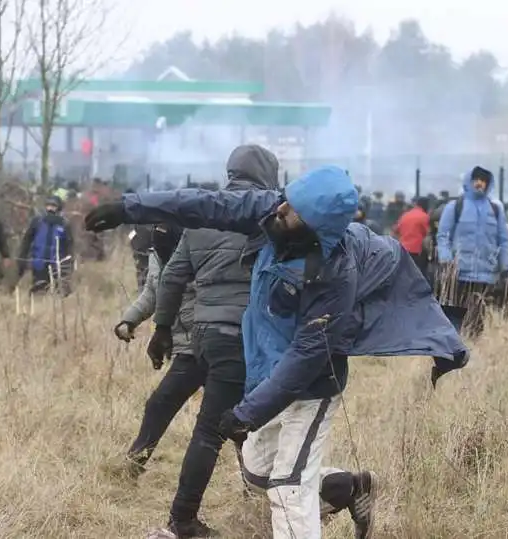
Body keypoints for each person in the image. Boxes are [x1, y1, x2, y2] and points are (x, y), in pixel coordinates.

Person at [85, 165, 468, 539]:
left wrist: (249, 413)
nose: (280, 208)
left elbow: (307, 355)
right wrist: (129, 207)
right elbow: (204, 204)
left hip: (311, 387)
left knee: (288, 484)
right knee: (256, 472)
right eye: (285, 199)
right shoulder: (271, 210)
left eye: (292, 208)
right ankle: (345, 488)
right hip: (266, 374)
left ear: (314, 224)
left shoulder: (335, 275)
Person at [136, 144, 280, 537]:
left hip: (202, 334)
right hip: (242, 336)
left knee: (212, 413)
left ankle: (254, 493)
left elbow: (172, 276)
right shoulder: (268, 217)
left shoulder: (202, 219)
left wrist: (162, 329)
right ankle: (182, 520)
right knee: (213, 430)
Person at [114, 223, 202, 480]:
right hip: (181, 343)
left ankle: (132, 467)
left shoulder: (199, 251)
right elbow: (153, 292)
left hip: (203, 343)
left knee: (161, 404)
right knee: (162, 406)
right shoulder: (157, 252)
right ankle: (133, 466)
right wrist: (129, 320)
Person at [436, 166, 508, 338]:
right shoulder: (455, 206)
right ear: (469, 181)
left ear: (487, 183)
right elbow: (443, 236)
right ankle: (455, 346)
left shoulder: (496, 209)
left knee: (478, 312)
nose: (479, 183)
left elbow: (504, 240)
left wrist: (505, 265)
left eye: (483, 180)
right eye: (476, 179)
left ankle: (473, 346)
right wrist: (446, 259)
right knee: (457, 311)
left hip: (486, 273)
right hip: (459, 272)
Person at [16, 196, 74, 296]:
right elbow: (27, 240)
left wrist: (68, 262)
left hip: (57, 263)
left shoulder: (64, 224)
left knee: (60, 292)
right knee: (38, 290)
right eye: (48, 205)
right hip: (39, 261)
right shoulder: (37, 221)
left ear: (59, 208)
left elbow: (69, 245)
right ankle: (38, 309)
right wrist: (22, 258)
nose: (50, 208)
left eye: (53, 206)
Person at [394, 197, 430, 278]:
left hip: (402, 251)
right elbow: (428, 234)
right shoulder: (424, 217)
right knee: (418, 277)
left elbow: (396, 230)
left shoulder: (405, 215)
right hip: (417, 253)